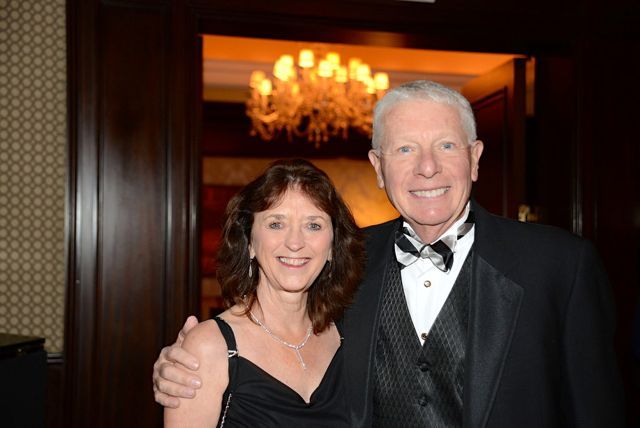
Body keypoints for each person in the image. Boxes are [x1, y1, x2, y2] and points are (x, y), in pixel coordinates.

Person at [154, 81, 625, 427]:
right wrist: (186, 365)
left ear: (476, 158)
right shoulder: (343, 257)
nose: (427, 167)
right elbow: (270, 332)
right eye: (404, 149)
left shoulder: (559, 265)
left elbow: (596, 413)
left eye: (445, 145)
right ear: (378, 167)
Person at [163, 159, 364, 426]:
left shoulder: (351, 337)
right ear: (249, 242)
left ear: (332, 247)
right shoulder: (209, 347)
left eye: (313, 225)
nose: (295, 242)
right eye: (276, 224)